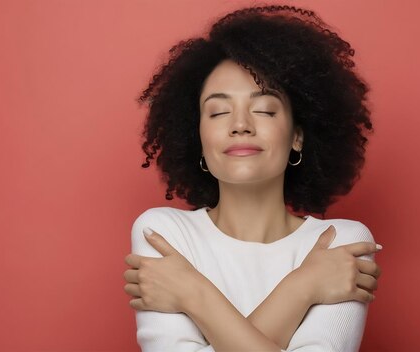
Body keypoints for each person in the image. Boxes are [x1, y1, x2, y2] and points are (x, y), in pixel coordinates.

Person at [123, 5, 382, 351]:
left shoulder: (340, 242)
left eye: (264, 109)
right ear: (197, 136)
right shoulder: (162, 234)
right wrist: (304, 287)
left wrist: (192, 293)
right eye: (218, 112)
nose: (240, 124)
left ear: (297, 136)